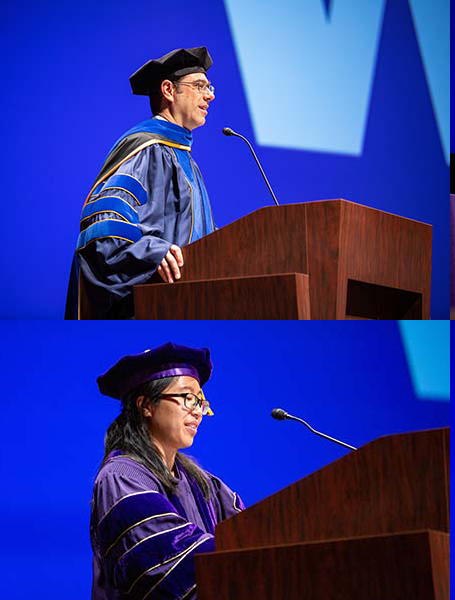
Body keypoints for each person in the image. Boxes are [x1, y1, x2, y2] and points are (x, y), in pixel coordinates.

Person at [66, 47, 218, 319]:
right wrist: (153, 252)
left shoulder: (186, 160)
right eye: (199, 86)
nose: (210, 95)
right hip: (153, 305)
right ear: (169, 90)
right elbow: (105, 228)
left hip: (191, 303)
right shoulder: (146, 149)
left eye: (209, 87)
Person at [90, 342, 244, 600]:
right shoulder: (121, 477)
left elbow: (250, 535)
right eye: (187, 399)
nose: (198, 412)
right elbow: (162, 560)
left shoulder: (205, 485)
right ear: (146, 405)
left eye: (201, 402)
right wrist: (245, 565)